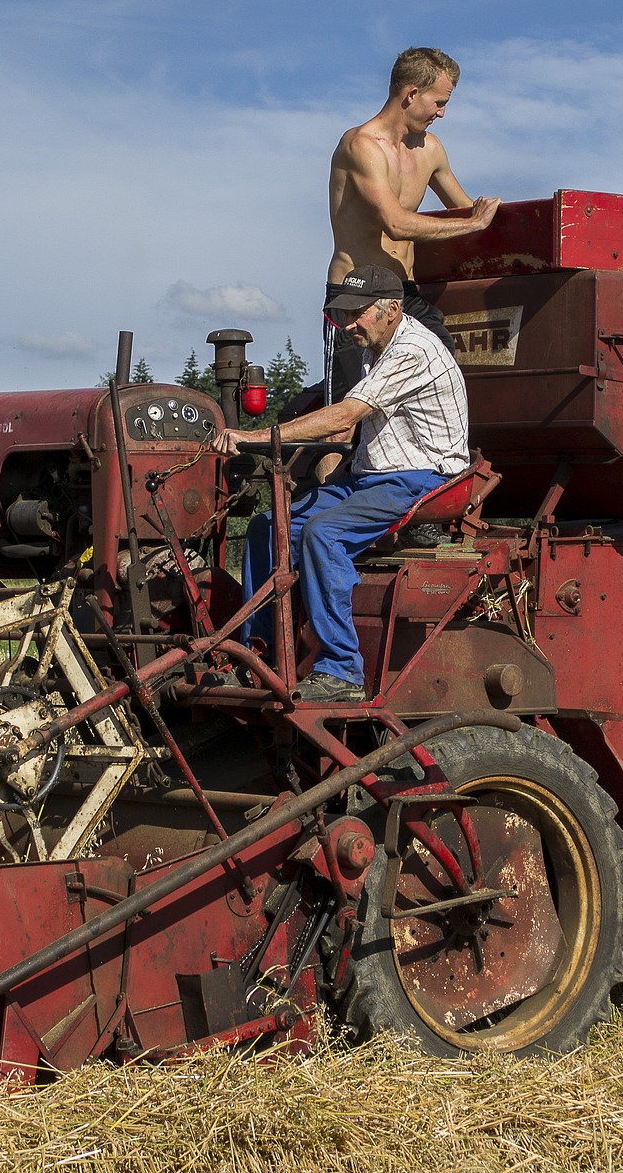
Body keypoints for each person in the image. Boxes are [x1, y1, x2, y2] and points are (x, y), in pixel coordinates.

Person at [214, 264, 470, 702]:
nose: (348, 324)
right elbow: (355, 424)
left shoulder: (413, 350)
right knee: (265, 528)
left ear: (392, 308)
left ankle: (342, 670)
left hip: (424, 478)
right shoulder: (377, 348)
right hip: (375, 478)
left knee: (323, 534)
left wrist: (255, 437)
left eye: (358, 314)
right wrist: (332, 452)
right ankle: (258, 653)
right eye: (343, 315)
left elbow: (348, 413)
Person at [321, 46, 500, 405]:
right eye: (438, 102)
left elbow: (466, 211)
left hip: (405, 295)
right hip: (356, 295)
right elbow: (396, 223)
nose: (442, 113)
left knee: (443, 385)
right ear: (412, 94)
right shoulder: (361, 146)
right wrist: (472, 224)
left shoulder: (431, 150)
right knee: (342, 421)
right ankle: (331, 462)